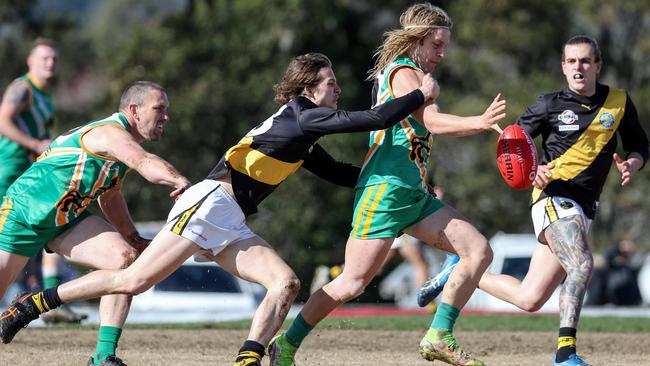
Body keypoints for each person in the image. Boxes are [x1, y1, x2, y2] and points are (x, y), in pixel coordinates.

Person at [0, 53, 438, 366]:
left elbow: (344, 173)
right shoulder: (303, 117)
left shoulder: (303, 132)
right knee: (134, 279)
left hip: (229, 218)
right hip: (210, 203)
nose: (339, 89)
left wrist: (402, 179)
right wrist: (419, 95)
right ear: (308, 89)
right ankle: (33, 303)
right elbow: (375, 118)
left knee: (284, 282)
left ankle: (247, 359)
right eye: (331, 83)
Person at [270, 4, 506, 366]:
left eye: (445, 45)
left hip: (410, 192)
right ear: (416, 41)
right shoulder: (403, 72)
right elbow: (434, 122)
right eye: (436, 44)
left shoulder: (417, 75)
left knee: (477, 250)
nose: (442, 53)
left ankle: (439, 335)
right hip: (384, 191)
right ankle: (286, 343)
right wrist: (480, 121)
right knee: (351, 283)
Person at [418, 35, 649, 366]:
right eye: (571, 61)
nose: (578, 67)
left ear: (598, 65)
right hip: (553, 198)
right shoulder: (549, 104)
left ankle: (461, 267)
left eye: (585, 61)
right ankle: (565, 353)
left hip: (585, 207)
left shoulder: (619, 102)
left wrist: (632, 164)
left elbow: (640, 144)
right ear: (563, 67)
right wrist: (533, 170)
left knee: (530, 298)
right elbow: (511, 142)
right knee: (582, 264)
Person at [0, 80, 191, 366]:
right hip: (24, 214)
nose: (166, 117)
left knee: (125, 261)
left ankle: (103, 357)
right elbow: (144, 162)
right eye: (159, 108)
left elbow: (110, 195)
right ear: (135, 110)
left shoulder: (121, 143)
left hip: (66, 218)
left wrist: (133, 237)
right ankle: (26, 307)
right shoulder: (111, 134)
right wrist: (179, 180)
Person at [0, 37, 88, 324]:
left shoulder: (45, 96)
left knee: (52, 225)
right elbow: (3, 121)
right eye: (44, 58)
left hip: (28, 175)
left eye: (54, 59)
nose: (50, 63)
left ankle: (43, 297)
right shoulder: (22, 87)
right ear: (30, 62)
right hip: (7, 171)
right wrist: (34, 144)